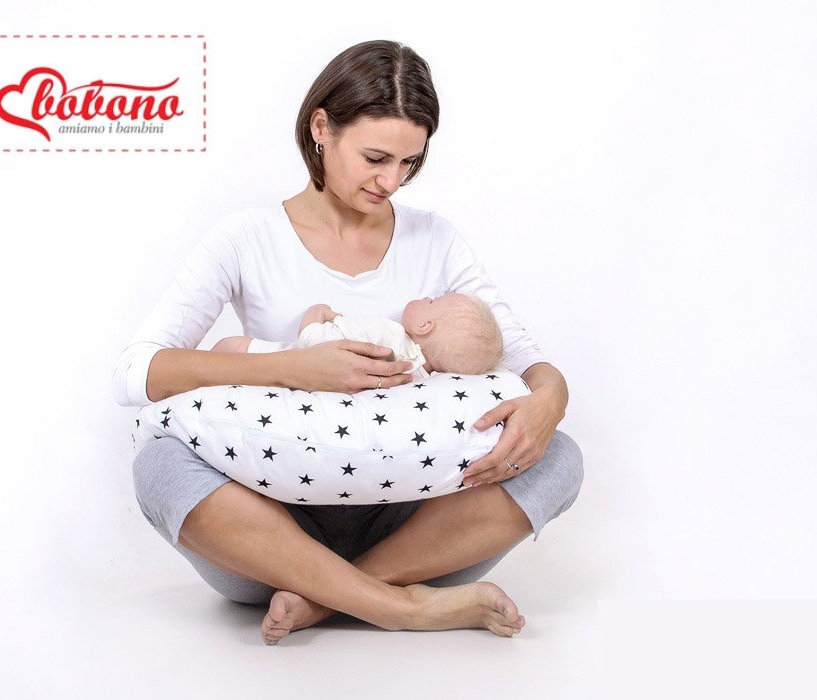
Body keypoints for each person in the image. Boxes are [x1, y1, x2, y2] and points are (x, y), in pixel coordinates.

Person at [113, 39, 583, 645]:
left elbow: (522, 354)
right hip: (272, 527)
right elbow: (136, 371)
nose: (392, 181)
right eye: (375, 157)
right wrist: (292, 369)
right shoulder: (247, 236)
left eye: (409, 162)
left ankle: (326, 599)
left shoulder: (434, 239)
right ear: (321, 128)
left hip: (414, 525)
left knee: (559, 457)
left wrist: (551, 399)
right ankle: (400, 607)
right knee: (159, 465)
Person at [211, 292, 505, 379]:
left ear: (425, 326)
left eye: (433, 301)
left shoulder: (388, 334)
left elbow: (314, 348)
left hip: (279, 361)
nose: (427, 297)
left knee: (228, 347)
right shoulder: (417, 379)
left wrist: (316, 314)